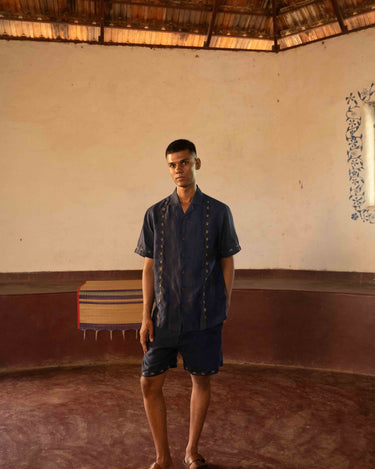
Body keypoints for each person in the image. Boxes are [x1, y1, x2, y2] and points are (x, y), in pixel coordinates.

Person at [135, 139, 241, 469]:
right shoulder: (155, 214)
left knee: (201, 381)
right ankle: (162, 457)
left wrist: (222, 304)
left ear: (197, 163)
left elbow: (227, 261)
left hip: (204, 315)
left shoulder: (218, 211)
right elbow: (149, 266)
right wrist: (145, 316)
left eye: (184, 162)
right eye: (172, 164)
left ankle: (191, 451)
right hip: (164, 317)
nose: (178, 170)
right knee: (148, 383)